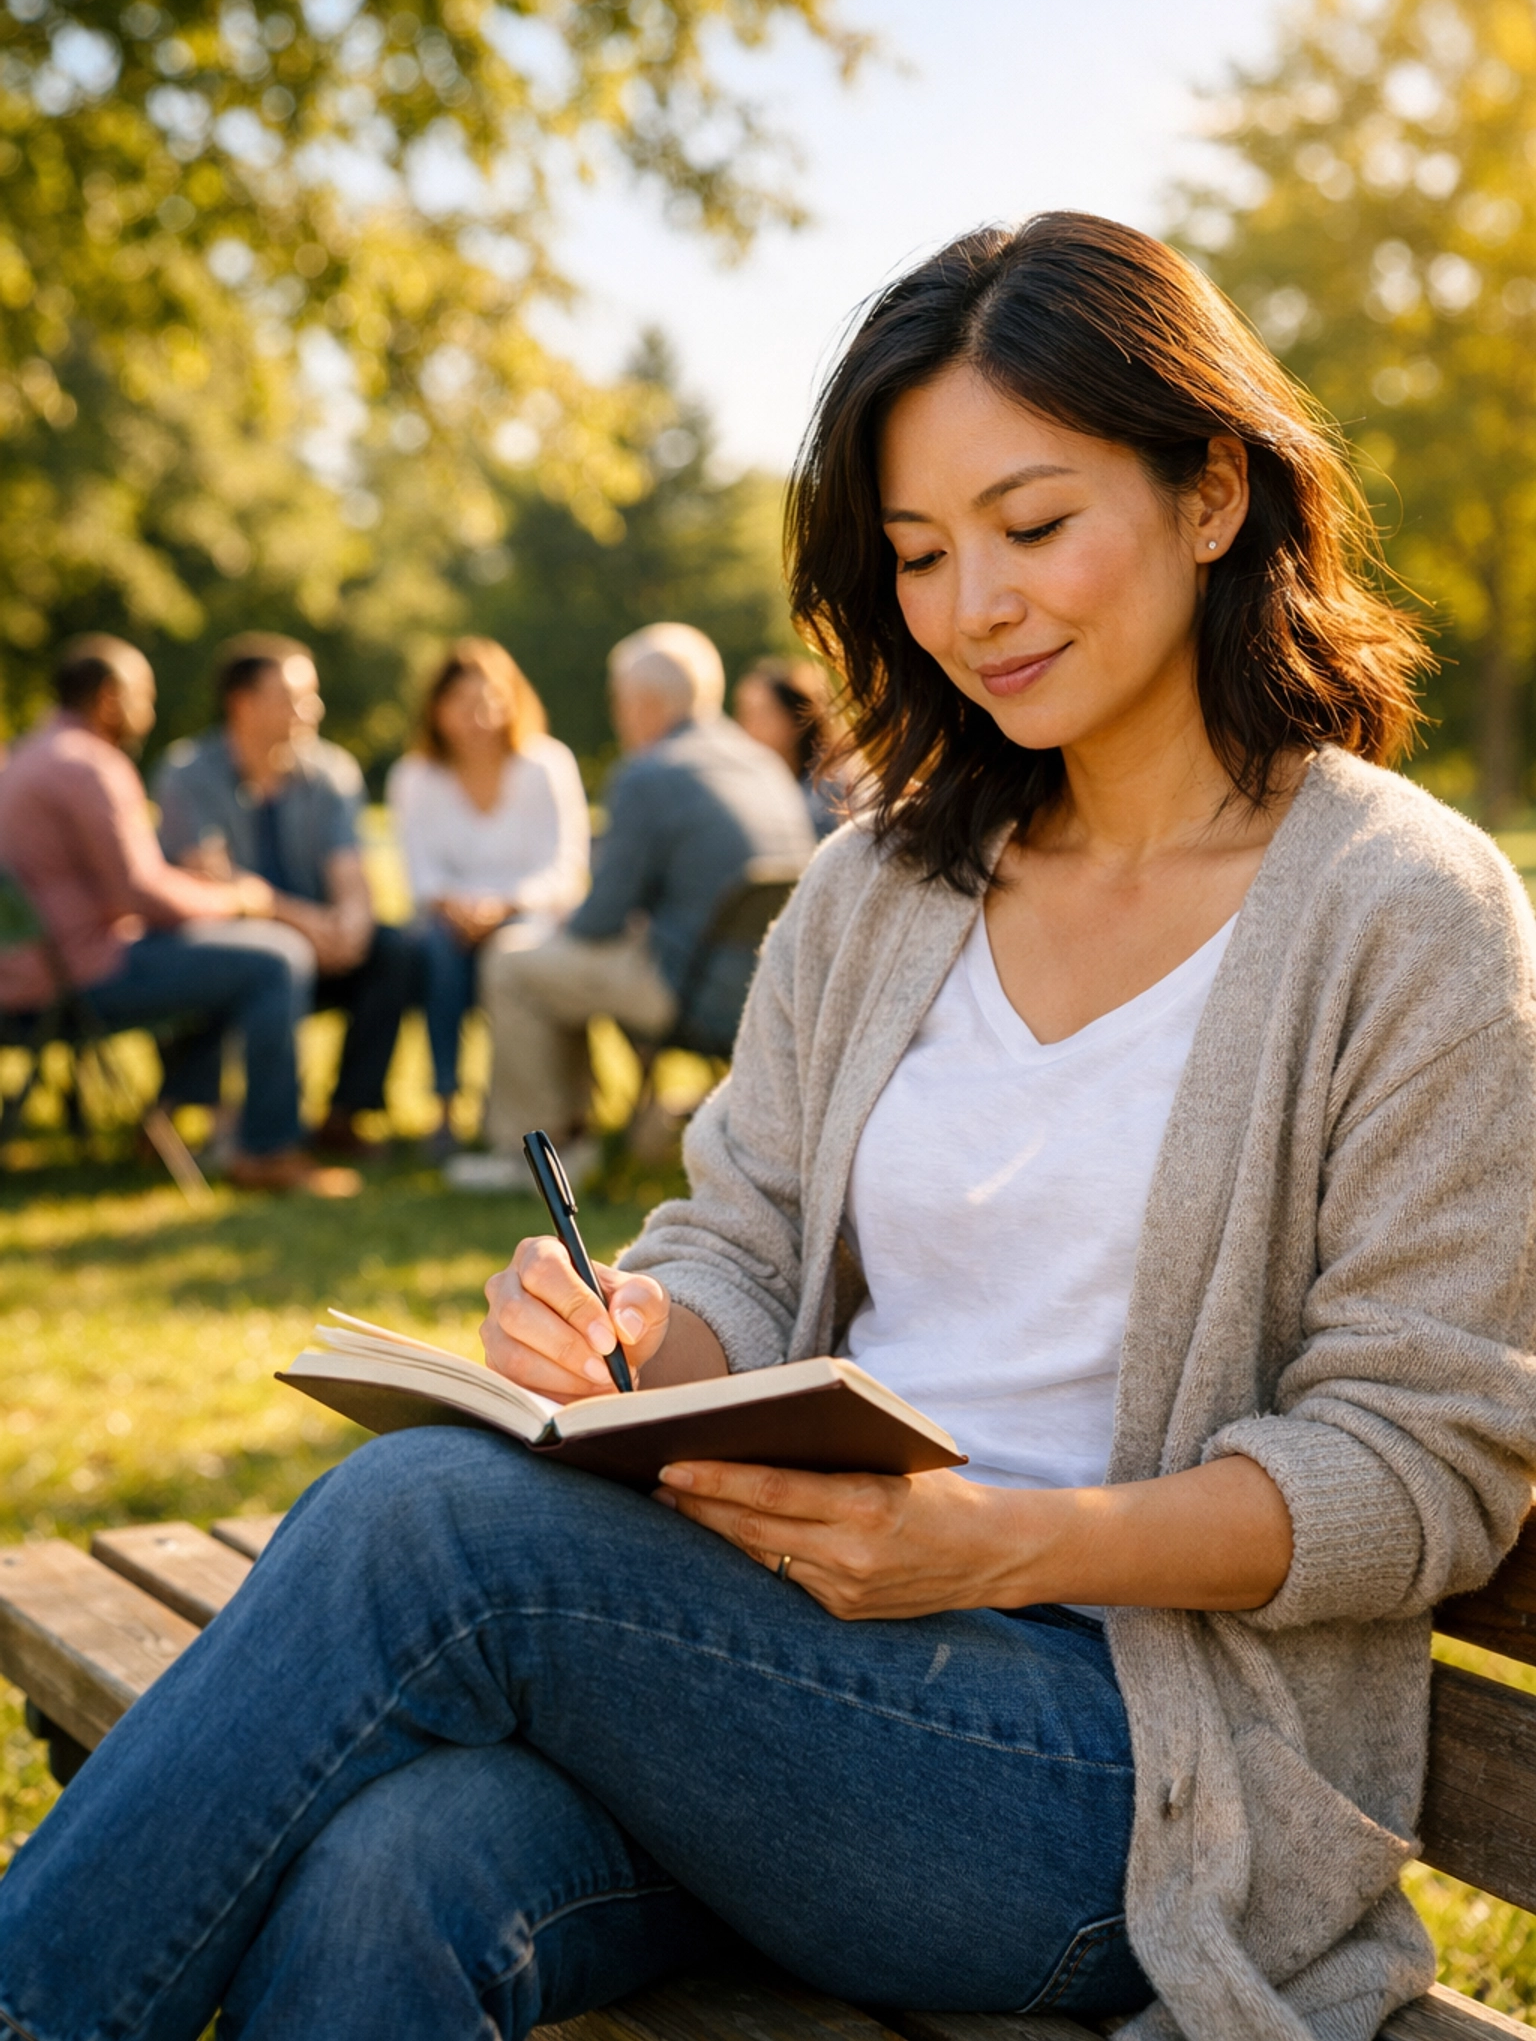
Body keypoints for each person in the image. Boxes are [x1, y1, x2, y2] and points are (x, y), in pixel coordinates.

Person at [7, 213, 1536, 2041]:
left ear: (1213, 492)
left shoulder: (1403, 911)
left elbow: (1419, 1466)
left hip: (1128, 1774)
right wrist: (642, 1334)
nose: (976, 603)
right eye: (918, 553)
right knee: (393, 1863)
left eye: (1033, 526)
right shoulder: (883, 884)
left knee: (427, 1525)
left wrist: (1003, 1545)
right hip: (789, 1675)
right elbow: (736, 1236)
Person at [445, 622, 814, 1192]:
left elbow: (599, 922)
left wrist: (569, 916)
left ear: (645, 703)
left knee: (514, 962)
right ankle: (572, 1138)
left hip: (688, 988)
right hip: (771, 991)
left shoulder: (649, 773)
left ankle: (535, 1153)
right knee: (552, 968)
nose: (618, 716)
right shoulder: (762, 764)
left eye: (619, 701)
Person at [0, 636, 357, 1194]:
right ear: (109, 699)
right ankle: (265, 1151)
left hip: (31, 973)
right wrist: (243, 900)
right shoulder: (88, 765)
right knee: (273, 958)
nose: (149, 710)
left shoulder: (31, 754)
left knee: (227, 960)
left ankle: (169, 1116)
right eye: (142, 695)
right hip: (72, 980)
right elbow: (145, 896)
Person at [154, 635, 418, 1159]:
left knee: (398, 952)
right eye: (294, 696)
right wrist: (305, 922)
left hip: (321, 944)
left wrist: (350, 927)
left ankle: (346, 1116)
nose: (311, 709)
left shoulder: (330, 772)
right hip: (239, 944)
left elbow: (349, 868)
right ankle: (218, 1113)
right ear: (242, 703)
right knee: (262, 958)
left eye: (312, 695)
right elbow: (215, 883)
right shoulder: (187, 775)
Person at [388, 639, 589, 1160]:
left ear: (511, 701)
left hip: (528, 917)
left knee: (511, 951)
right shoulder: (415, 776)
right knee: (437, 951)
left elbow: (565, 864)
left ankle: (525, 1110)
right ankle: (446, 1104)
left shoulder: (546, 764)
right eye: (462, 704)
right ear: (437, 709)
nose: (478, 718)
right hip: (447, 922)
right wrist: (456, 907)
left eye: (489, 702)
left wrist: (504, 905)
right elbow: (420, 870)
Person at [732, 654, 857, 839]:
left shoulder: (832, 788)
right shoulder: (757, 780)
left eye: (759, 715)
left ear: (794, 721)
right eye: (741, 713)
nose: (745, 727)